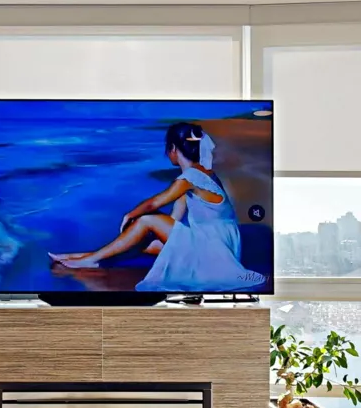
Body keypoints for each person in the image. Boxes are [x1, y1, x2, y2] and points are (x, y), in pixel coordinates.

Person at [50, 122, 266, 292]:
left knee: (146, 219)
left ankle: (89, 259)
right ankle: (86, 257)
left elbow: (154, 203)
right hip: (219, 248)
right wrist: (150, 233)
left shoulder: (190, 178)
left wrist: (131, 215)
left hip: (213, 253)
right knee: (145, 241)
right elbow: (176, 216)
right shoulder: (203, 175)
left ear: (173, 149)